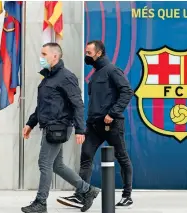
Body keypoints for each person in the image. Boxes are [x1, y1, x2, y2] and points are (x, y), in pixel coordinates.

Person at [21, 42, 100, 213]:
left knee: (44, 163)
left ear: (55, 56)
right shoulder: (48, 77)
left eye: (44, 54)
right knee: (57, 166)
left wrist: (80, 130)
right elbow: (42, 106)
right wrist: (30, 123)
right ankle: (87, 190)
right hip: (49, 126)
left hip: (58, 127)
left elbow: (78, 104)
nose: (41, 58)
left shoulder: (66, 77)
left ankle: (41, 203)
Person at [56, 40, 134, 208]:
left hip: (111, 124)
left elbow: (127, 91)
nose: (86, 55)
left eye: (89, 53)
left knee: (122, 157)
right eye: (86, 52)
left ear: (99, 53)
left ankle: (127, 196)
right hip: (94, 125)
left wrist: (113, 113)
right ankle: (81, 194)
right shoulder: (96, 73)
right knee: (86, 157)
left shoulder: (112, 70)